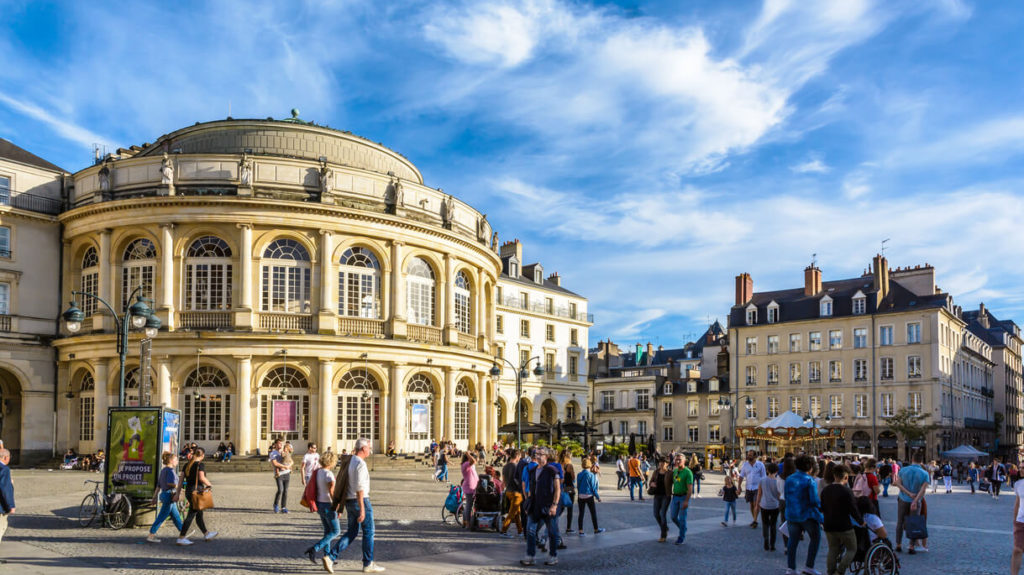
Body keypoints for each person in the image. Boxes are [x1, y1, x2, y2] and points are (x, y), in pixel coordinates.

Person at [327, 438, 384, 573]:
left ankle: (330, 556)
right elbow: (360, 488)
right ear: (363, 449)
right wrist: (363, 510)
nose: (370, 450)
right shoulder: (360, 464)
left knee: (352, 531)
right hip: (360, 501)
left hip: (349, 501)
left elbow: (343, 481)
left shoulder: (350, 460)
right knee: (369, 532)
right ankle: (368, 563)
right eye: (369, 447)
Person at [522, 448, 561, 566]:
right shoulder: (532, 470)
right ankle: (530, 556)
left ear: (546, 456)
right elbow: (530, 488)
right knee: (530, 531)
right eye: (536, 454)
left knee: (552, 532)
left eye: (541, 454)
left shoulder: (552, 470)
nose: (538, 456)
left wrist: (554, 505)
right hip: (534, 506)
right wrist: (528, 502)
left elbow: (557, 489)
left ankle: (553, 556)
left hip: (548, 506)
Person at [784, 454, 823, 575]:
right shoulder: (809, 480)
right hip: (807, 515)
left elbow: (786, 496)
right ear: (810, 467)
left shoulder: (789, 479)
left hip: (792, 514)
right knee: (816, 538)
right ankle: (809, 566)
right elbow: (814, 501)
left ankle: (791, 568)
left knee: (792, 541)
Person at [822, 464, 863, 575]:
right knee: (852, 549)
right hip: (844, 525)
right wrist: (861, 521)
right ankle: (839, 571)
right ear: (846, 477)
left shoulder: (826, 490)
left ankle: (830, 572)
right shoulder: (846, 491)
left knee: (833, 549)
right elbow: (853, 510)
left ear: (834, 476)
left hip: (829, 524)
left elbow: (822, 507)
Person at [175, 447, 217, 545]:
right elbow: (202, 478)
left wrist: (177, 493)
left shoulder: (187, 465)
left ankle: (206, 534)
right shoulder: (200, 464)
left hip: (189, 491)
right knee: (191, 514)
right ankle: (181, 537)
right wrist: (210, 484)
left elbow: (180, 481)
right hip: (197, 492)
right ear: (202, 455)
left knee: (199, 514)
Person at [304, 451, 339, 566]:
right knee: (336, 531)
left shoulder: (317, 472)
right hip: (328, 505)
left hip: (319, 504)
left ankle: (327, 556)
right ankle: (315, 548)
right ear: (332, 462)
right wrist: (337, 506)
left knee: (328, 531)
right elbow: (332, 492)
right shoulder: (329, 474)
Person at [893, 451, 929, 554]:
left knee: (900, 522)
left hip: (903, 499)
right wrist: (915, 500)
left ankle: (898, 545)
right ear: (921, 461)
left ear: (912, 459)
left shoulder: (903, 470)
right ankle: (911, 546)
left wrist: (908, 493)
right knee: (914, 523)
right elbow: (923, 490)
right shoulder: (924, 473)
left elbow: (897, 483)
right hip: (916, 501)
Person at [148, 452, 184, 543]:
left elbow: (158, 486)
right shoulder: (171, 471)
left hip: (165, 494)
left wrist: (154, 497)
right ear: (171, 461)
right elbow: (170, 483)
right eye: (176, 459)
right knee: (162, 516)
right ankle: (151, 534)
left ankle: (183, 532)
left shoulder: (163, 470)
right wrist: (178, 487)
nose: (177, 461)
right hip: (169, 495)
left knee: (176, 516)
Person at [575, 457, 605, 536]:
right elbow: (593, 487)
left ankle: (581, 531)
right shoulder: (591, 475)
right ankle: (596, 529)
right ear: (589, 465)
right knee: (593, 513)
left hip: (581, 496)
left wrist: (579, 493)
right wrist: (598, 497)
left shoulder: (579, 474)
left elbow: (578, 485)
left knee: (581, 514)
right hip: (589, 496)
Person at [756, 461, 781, 551]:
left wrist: (757, 504)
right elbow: (779, 495)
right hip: (775, 506)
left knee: (765, 524)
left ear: (767, 470)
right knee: (773, 525)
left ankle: (766, 539)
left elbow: (759, 494)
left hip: (764, 505)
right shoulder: (777, 481)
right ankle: (772, 544)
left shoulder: (762, 480)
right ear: (776, 471)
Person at [669, 453, 693, 544]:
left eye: (679, 460)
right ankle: (683, 528)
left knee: (682, 518)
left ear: (684, 461)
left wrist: (686, 501)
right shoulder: (675, 471)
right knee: (673, 517)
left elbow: (690, 488)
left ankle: (681, 537)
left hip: (683, 497)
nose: (677, 461)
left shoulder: (688, 472)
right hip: (675, 497)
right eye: (676, 459)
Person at [739, 450, 767, 529]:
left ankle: (755, 520)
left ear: (755, 456)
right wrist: (739, 486)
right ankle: (754, 518)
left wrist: (763, 487)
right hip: (748, 487)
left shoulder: (760, 465)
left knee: (756, 504)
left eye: (750, 455)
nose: (749, 456)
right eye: (748, 455)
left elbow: (764, 477)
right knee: (751, 504)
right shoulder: (745, 465)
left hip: (758, 487)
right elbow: (741, 476)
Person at [501, 449, 524, 537]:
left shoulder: (505, 466)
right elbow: (518, 480)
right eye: (519, 457)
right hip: (516, 493)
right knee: (511, 513)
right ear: (517, 456)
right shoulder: (516, 466)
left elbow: (503, 480)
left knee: (516, 512)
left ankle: (520, 531)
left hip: (508, 491)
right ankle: (503, 530)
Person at [650, 457, 672, 542]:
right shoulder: (656, 472)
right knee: (656, 514)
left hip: (666, 496)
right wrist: (651, 484)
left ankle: (663, 535)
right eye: (660, 462)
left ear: (667, 464)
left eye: (663, 463)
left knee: (662, 514)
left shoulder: (670, 473)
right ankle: (664, 527)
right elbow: (651, 481)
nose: (661, 464)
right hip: (657, 495)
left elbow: (676, 481)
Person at [271, 442, 294, 513]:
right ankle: (275, 505)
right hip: (279, 474)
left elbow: (291, 461)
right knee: (280, 490)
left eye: (281, 444)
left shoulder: (287, 453)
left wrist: (289, 467)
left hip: (287, 473)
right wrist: (283, 467)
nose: (280, 446)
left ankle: (283, 507)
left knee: (285, 491)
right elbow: (276, 463)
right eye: (278, 444)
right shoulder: (275, 453)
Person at [558, 450, 576, 534]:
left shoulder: (559, 464)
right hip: (569, 487)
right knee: (570, 507)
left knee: (560, 507)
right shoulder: (569, 465)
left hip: (561, 487)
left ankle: (554, 521)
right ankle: (568, 528)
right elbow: (573, 477)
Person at [461, 451, 479, 528]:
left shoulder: (470, 464)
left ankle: (465, 522)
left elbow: (475, 461)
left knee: (469, 505)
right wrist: (468, 454)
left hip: (473, 486)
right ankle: (467, 522)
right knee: (469, 505)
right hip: (469, 486)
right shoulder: (465, 464)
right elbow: (474, 461)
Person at [0, 448, 14, 543]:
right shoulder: (4, 469)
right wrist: (11, 505)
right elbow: (5, 489)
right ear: (5, 457)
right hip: (1, 506)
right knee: (1, 527)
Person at [1013, 471, 1024, 575]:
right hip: (1021, 521)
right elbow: (1017, 503)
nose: (1021, 470)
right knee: (1017, 549)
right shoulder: (1018, 484)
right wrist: (1015, 521)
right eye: (1021, 467)